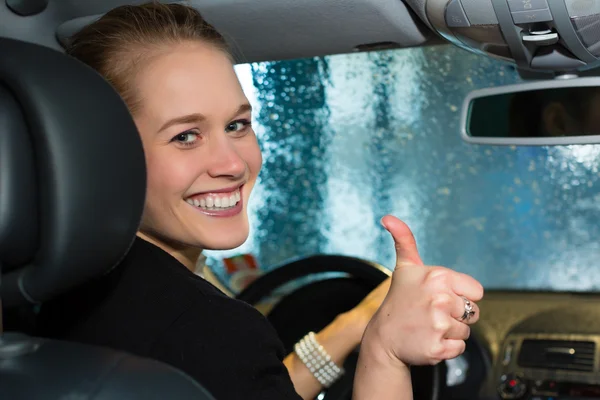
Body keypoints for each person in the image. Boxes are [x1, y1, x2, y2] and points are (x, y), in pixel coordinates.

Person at [36, 3, 484, 399]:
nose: (232, 164)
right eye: (186, 136)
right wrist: (385, 351)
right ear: (106, 154)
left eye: (237, 125)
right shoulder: (206, 328)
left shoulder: (55, 290)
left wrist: (358, 323)